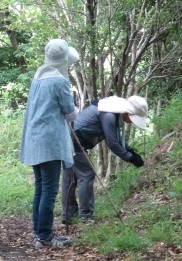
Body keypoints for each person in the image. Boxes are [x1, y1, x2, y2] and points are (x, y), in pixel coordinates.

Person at [19, 39, 80, 249]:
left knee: (40, 188)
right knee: (49, 191)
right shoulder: (60, 82)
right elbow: (70, 113)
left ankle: (39, 234)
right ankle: (44, 236)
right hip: (50, 141)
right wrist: (76, 107)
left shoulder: (38, 76)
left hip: (35, 139)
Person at [62, 94, 147, 223]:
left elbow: (117, 138)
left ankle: (69, 216)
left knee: (70, 178)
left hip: (69, 138)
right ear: (128, 113)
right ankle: (86, 216)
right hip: (74, 140)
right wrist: (130, 157)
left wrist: (131, 152)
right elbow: (112, 143)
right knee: (86, 174)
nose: (132, 121)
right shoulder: (109, 115)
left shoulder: (112, 112)